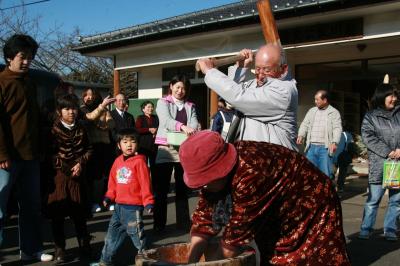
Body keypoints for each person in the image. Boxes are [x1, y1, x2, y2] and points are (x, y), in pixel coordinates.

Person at [179, 131, 350, 265]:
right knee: (273, 254)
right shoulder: (213, 180)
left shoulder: (251, 172)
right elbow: (204, 221)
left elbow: (233, 241)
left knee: (313, 258)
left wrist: (210, 264)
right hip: (275, 209)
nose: (204, 187)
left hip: (312, 203)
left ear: (221, 169)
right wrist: (191, 262)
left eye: (206, 180)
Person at [0, 34, 53, 262]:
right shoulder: (1, 83)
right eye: (22, 57)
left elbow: (34, 120)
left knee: (32, 206)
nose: (27, 62)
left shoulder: (30, 83)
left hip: (31, 156)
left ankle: (31, 249)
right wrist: (1, 153)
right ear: (9, 57)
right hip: (6, 158)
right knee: (0, 209)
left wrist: (40, 149)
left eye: (30, 58)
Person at [196, 44, 298, 150]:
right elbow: (231, 100)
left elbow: (239, 97)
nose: (261, 75)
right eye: (257, 69)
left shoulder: (283, 91)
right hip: (255, 156)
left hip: (277, 159)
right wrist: (240, 67)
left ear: (284, 69)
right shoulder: (256, 84)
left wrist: (209, 71)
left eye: (267, 70)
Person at [96, 128, 154, 265]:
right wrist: (108, 196)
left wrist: (148, 202)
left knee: (138, 239)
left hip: (133, 210)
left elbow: (146, 184)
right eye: (125, 141)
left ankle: (146, 261)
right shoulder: (117, 161)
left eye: (132, 141)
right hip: (118, 208)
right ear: (118, 145)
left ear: (137, 145)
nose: (129, 145)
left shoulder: (140, 162)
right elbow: (113, 182)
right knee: (111, 237)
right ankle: (104, 261)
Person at [46, 94, 93, 264]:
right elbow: (49, 154)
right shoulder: (53, 129)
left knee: (79, 215)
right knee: (58, 216)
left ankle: (85, 246)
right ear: (59, 111)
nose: (71, 112)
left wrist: (80, 163)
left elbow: (89, 149)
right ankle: (60, 249)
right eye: (66, 109)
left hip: (78, 176)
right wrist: (66, 168)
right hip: (59, 177)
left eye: (73, 108)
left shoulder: (81, 128)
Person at [153, 74, 199, 232]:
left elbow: (193, 123)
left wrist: (192, 128)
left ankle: (183, 223)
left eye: (183, 88)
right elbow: (165, 121)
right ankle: (159, 225)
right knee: (161, 189)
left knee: (182, 187)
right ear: (171, 86)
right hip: (165, 148)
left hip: (183, 149)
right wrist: (183, 126)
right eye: (177, 87)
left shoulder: (190, 106)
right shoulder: (162, 102)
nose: (180, 90)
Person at [358, 83, 400, 241]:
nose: (394, 99)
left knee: (396, 200)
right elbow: (368, 137)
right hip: (379, 164)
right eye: (391, 95)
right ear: (382, 96)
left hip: (398, 165)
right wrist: (388, 151)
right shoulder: (371, 116)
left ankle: (390, 230)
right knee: (373, 200)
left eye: (395, 95)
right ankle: (365, 229)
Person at [80, 88, 115, 213]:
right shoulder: (82, 109)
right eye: (86, 95)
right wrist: (101, 108)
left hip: (105, 146)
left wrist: (102, 125)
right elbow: (89, 118)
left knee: (107, 175)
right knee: (93, 177)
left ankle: (106, 200)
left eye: (91, 95)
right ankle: (93, 202)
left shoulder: (104, 109)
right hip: (91, 146)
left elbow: (111, 124)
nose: (89, 97)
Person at [297, 90, 342, 177]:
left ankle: (325, 190)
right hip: (311, 148)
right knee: (309, 173)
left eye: (317, 100)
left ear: (324, 100)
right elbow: (305, 124)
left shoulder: (334, 112)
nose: (315, 101)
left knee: (325, 175)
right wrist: (301, 135)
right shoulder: (312, 111)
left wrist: (335, 142)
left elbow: (337, 128)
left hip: (324, 149)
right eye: (315, 99)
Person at [135, 101, 159, 175]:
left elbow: (159, 127)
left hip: (154, 146)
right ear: (143, 109)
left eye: (152, 107)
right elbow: (137, 129)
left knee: (155, 167)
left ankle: (155, 185)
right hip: (143, 146)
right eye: (148, 107)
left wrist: (156, 131)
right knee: (143, 166)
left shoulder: (155, 117)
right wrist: (149, 129)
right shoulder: (140, 118)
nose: (151, 108)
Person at [332, 124, 355, 193]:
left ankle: (331, 186)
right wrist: (352, 155)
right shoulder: (348, 135)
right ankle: (340, 187)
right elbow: (351, 147)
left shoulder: (333, 134)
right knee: (342, 173)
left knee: (332, 172)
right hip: (344, 157)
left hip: (333, 156)